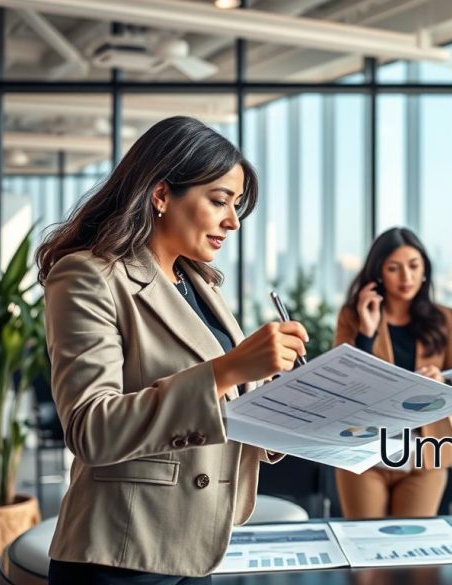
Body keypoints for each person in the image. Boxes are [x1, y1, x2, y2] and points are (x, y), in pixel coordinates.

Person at [36, 116, 309, 584]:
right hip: (118, 554)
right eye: (220, 200)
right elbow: (91, 429)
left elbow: (221, 407)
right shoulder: (88, 276)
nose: (233, 221)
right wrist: (228, 369)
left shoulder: (200, 284)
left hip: (194, 544)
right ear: (161, 195)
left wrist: (291, 401)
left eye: (238, 205)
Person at [333, 227, 452, 518]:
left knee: (412, 546)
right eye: (394, 268)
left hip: (424, 454)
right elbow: (343, 382)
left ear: (425, 270)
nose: (406, 277)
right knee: (365, 547)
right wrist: (366, 333)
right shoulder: (352, 315)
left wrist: (442, 380)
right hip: (365, 450)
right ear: (379, 273)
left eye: (413, 266)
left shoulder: (443, 317)